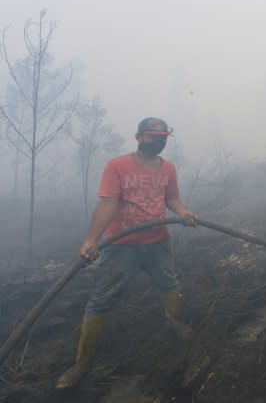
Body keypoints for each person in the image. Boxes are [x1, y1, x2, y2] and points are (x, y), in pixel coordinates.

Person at [56, 117, 198, 390]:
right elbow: (108, 204)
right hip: (122, 246)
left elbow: (171, 198)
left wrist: (184, 212)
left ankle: (175, 322)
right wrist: (91, 241)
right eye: (152, 136)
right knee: (102, 299)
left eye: (163, 136)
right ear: (138, 137)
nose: (158, 141)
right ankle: (82, 361)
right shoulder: (117, 166)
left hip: (158, 242)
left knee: (169, 284)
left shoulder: (168, 167)